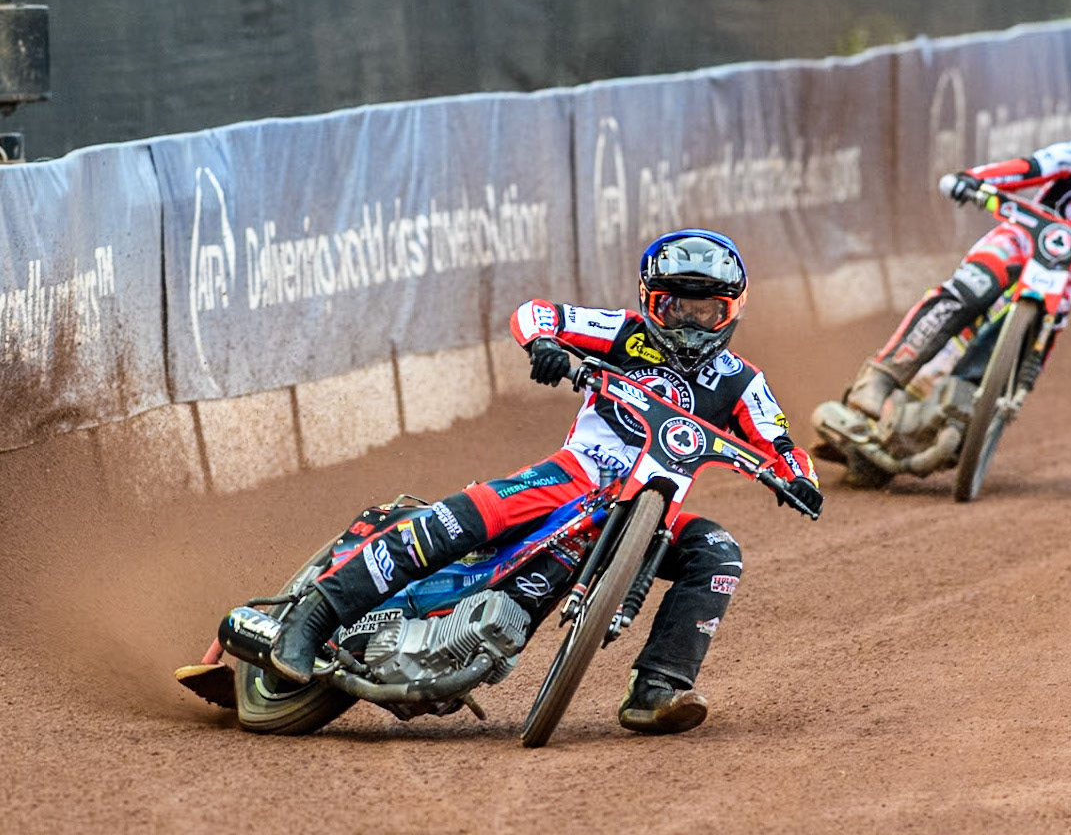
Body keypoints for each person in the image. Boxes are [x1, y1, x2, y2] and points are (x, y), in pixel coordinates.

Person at [238, 228, 824, 735]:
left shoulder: (742, 381)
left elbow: (780, 443)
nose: (693, 324)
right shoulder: (623, 333)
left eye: (709, 312)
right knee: (465, 518)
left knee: (719, 553)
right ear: (652, 302)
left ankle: (658, 691)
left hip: (655, 517)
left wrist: (798, 478)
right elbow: (536, 313)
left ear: (733, 311)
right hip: (575, 474)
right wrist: (544, 345)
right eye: (677, 308)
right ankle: (311, 620)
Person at [843, 85, 1071, 423]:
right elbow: (1025, 169)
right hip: (1020, 239)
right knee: (970, 289)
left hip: (1063, 280)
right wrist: (974, 180)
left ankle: (967, 422)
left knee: (1029, 349)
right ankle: (880, 377)